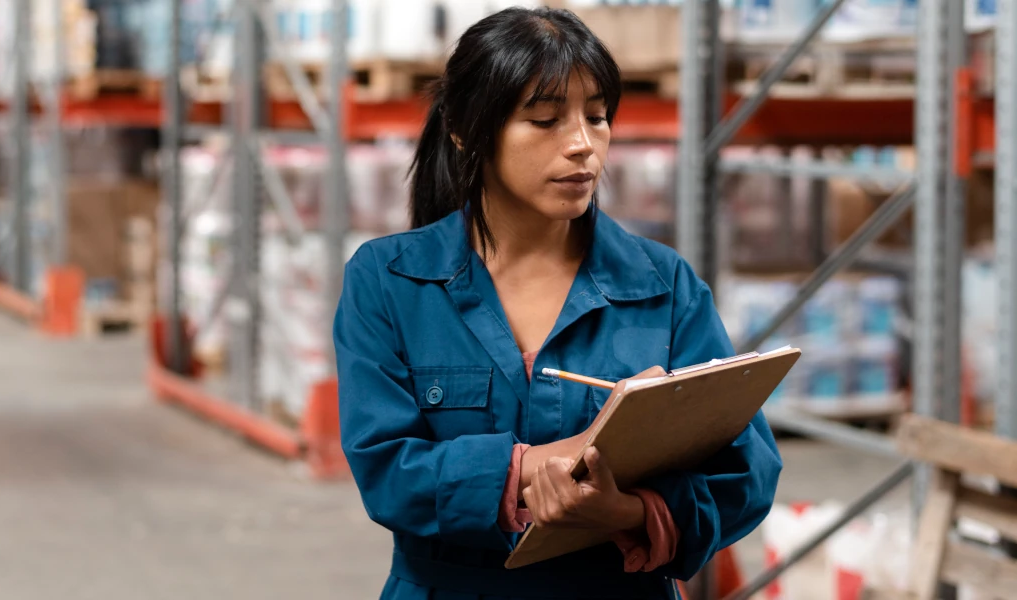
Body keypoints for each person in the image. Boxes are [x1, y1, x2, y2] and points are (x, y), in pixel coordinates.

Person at [333, 7, 781, 599]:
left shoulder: (662, 285)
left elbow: (746, 471)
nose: (582, 145)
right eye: (544, 119)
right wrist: (534, 469)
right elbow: (385, 466)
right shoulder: (390, 281)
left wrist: (625, 513)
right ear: (467, 129)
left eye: (597, 118)